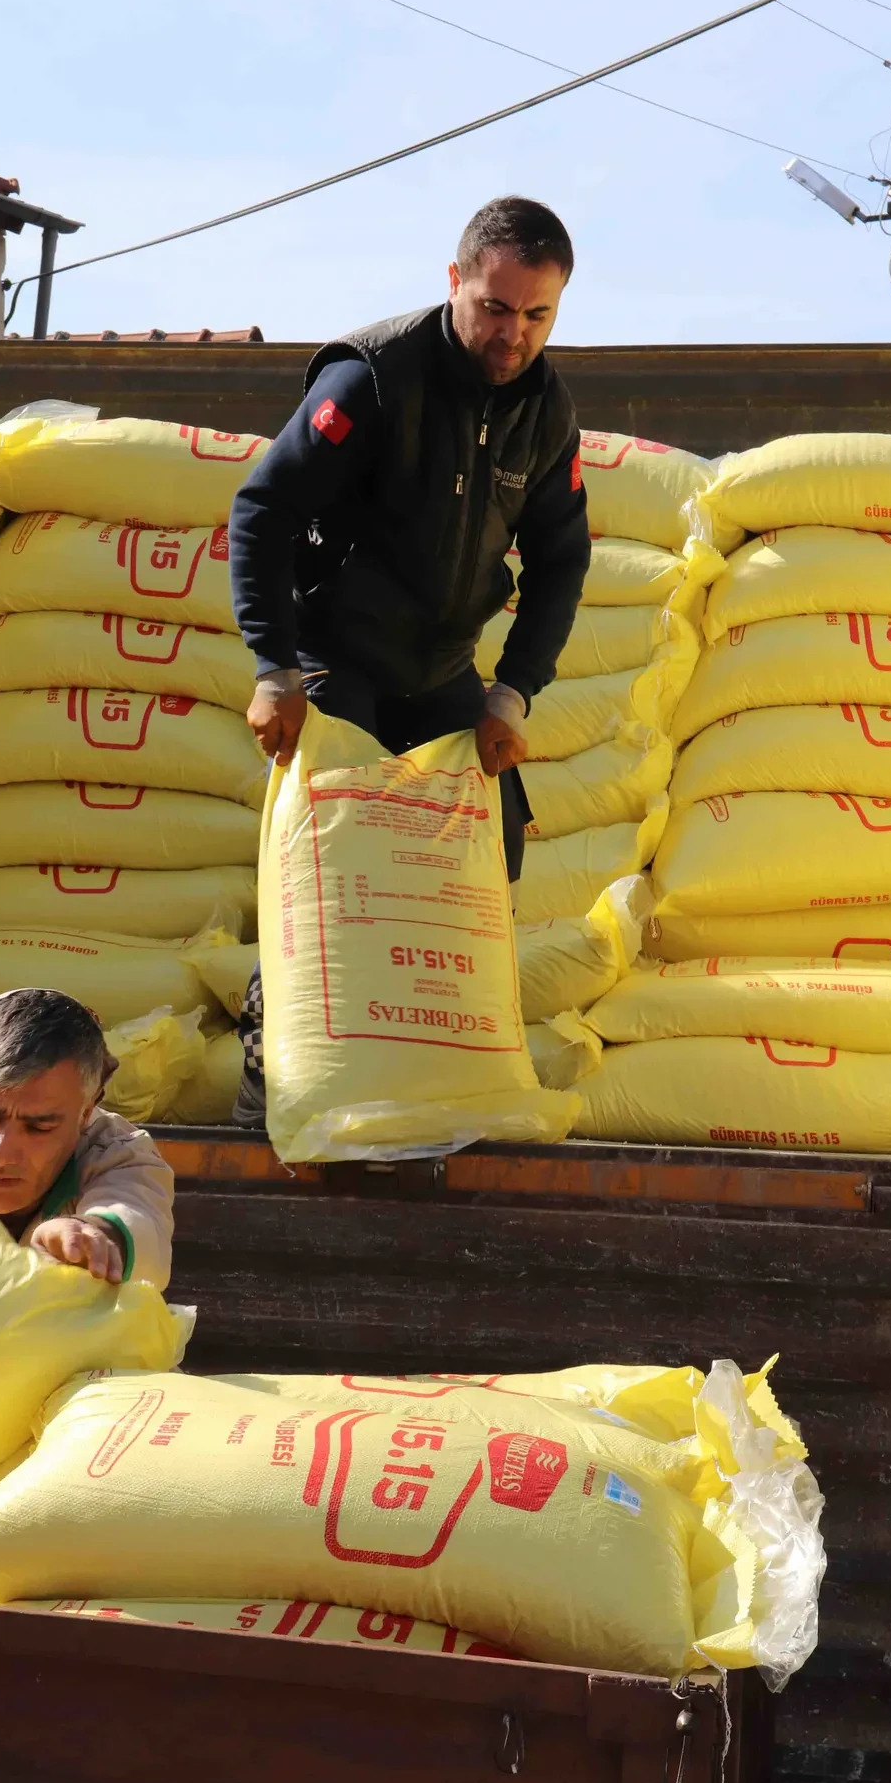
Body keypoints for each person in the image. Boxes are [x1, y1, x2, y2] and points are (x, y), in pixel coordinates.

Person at [227, 194, 591, 1127]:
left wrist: (511, 693)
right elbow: (262, 510)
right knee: (331, 857)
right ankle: (279, 1068)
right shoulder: (374, 379)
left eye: (538, 315)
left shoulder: (546, 413)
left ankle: (436, 1077)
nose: (515, 334)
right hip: (335, 653)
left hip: (439, 667)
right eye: (497, 308)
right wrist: (273, 669)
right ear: (456, 282)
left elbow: (561, 558)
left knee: (486, 833)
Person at [0, 987, 173, 1285]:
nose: (1, 1154)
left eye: (39, 1127)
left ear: (86, 1112)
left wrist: (92, 1237)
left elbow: (134, 1214)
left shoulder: (119, 1155)